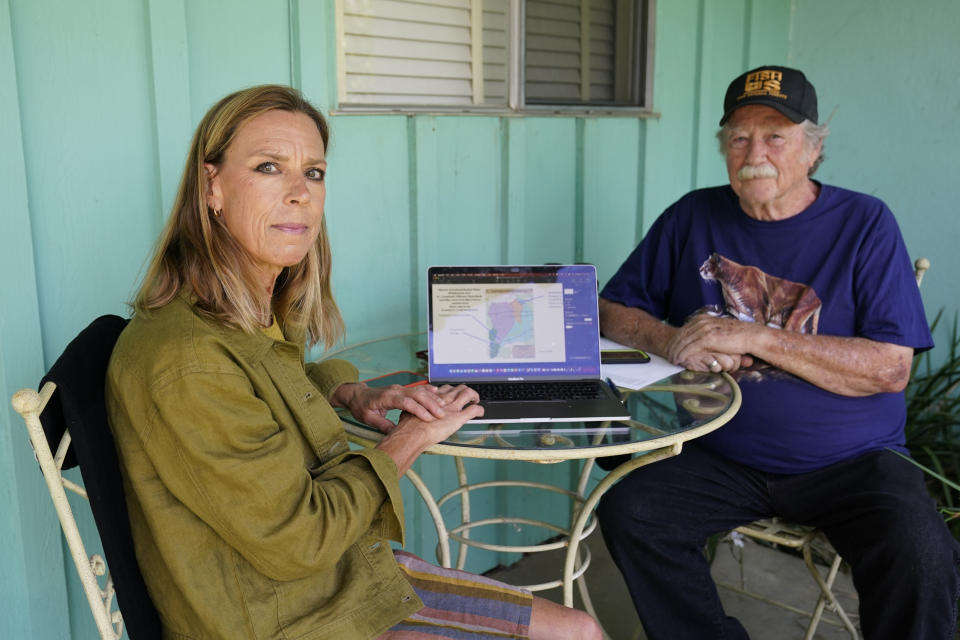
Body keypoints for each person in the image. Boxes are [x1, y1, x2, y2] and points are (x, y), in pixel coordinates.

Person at [106, 84, 602, 640]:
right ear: (211, 185)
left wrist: (351, 393)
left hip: (339, 582)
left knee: (578, 628)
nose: (301, 193)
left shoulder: (236, 312)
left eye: (314, 172)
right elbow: (304, 538)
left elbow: (266, 385)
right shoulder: (189, 360)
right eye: (270, 167)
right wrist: (411, 437)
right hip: (288, 617)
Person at [596, 65, 960, 639]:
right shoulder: (693, 215)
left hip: (855, 462)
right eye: (739, 136)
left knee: (921, 552)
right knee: (631, 510)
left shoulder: (864, 223)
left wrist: (756, 337)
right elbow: (611, 309)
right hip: (721, 454)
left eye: (776, 136)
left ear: (812, 151)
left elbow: (891, 368)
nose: (754, 152)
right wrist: (674, 341)